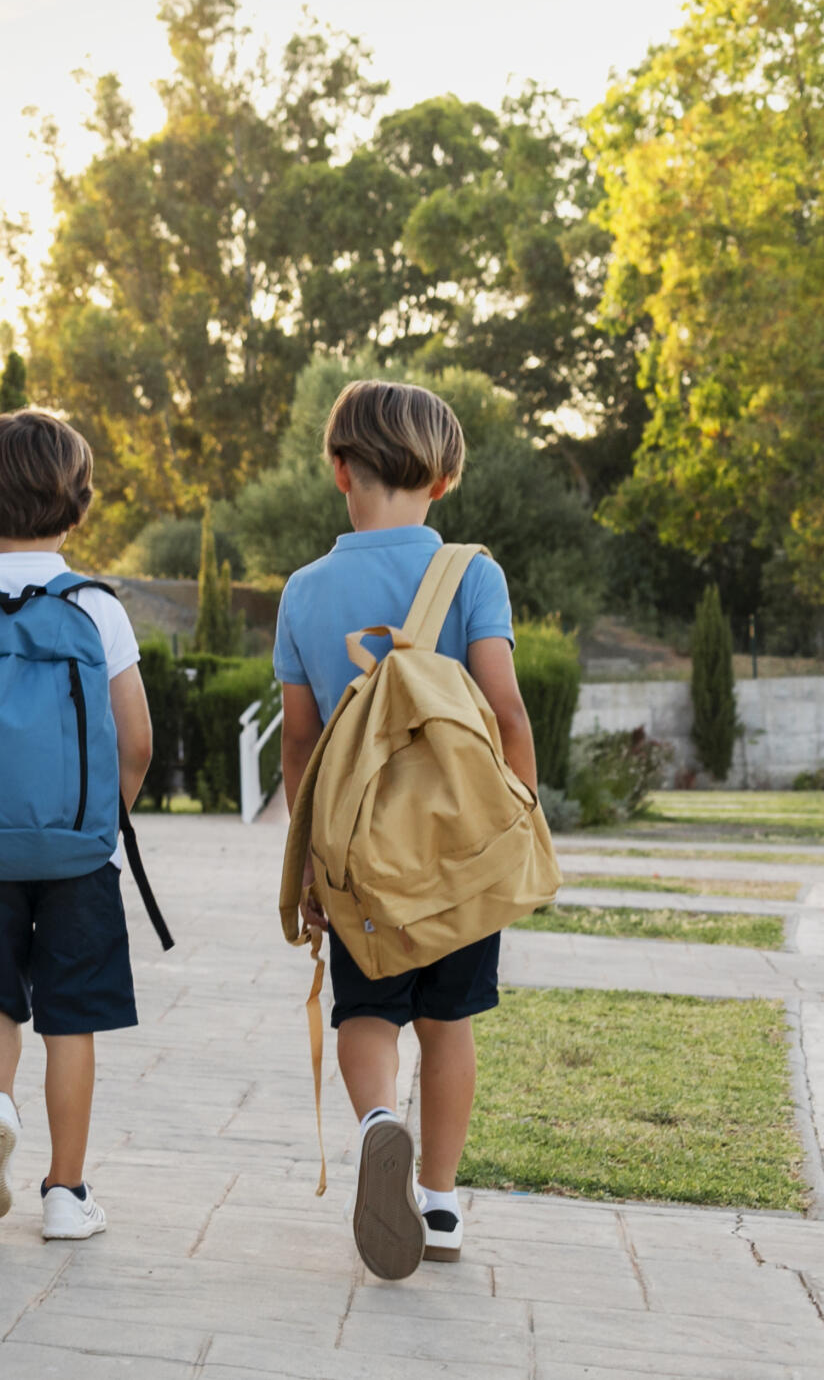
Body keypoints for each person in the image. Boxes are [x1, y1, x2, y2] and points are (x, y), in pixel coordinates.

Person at [274, 378, 534, 1276]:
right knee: (450, 1022)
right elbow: (505, 710)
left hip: (357, 856)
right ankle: (440, 1200)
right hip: (459, 853)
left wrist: (308, 867)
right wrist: (519, 824)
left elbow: (301, 745)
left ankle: (380, 1121)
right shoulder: (472, 572)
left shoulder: (305, 591)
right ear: (446, 477)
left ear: (339, 470)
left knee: (369, 1010)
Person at [0, 409, 155, 1242]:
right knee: (70, 1018)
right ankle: (67, 1192)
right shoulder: (96, 607)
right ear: (77, 502)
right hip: (80, 851)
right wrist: (103, 819)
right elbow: (137, 739)